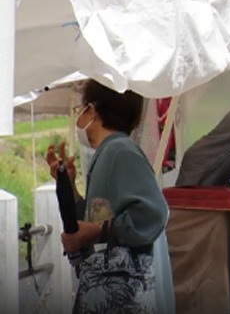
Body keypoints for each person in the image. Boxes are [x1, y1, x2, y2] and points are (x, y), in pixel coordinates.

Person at [46, 80, 171, 313]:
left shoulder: (120, 151)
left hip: (122, 294)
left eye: (79, 110)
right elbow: (95, 217)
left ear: (91, 110)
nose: (78, 119)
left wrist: (97, 231)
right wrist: (68, 186)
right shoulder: (108, 153)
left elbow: (154, 213)